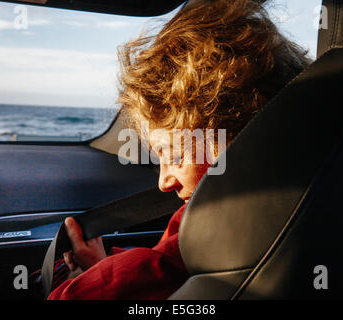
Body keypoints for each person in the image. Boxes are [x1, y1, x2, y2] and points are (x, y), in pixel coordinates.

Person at [48, 0, 310, 300]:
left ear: (243, 144)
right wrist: (104, 265)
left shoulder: (217, 229)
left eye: (173, 156)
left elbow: (154, 270)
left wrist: (99, 277)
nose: (164, 182)